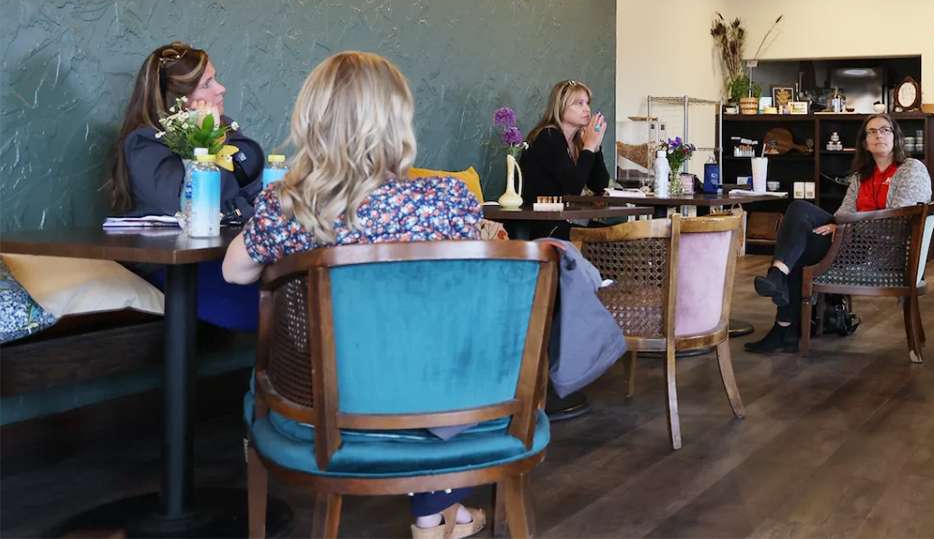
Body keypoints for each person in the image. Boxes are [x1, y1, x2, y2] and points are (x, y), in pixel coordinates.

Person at [221, 51, 486, 538]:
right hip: (433, 396)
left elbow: (234, 272)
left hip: (320, 404)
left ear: (312, 121)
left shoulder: (290, 207)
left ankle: (436, 509)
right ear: (397, 120)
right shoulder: (448, 200)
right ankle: (436, 509)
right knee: (432, 343)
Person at [106, 41, 266, 330]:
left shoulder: (225, 128)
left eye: (215, 79)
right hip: (175, 270)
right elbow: (187, 202)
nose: (221, 89)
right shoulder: (144, 143)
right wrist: (206, 141)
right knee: (277, 308)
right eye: (207, 84)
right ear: (176, 100)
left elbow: (253, 177)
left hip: (223, 259)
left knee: (297, 288)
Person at [747, 113, 932, 353]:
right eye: (872, 132)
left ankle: (784, 326)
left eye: (885, 130)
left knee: (801, 247)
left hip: (878, 251)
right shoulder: (861, 175)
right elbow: (843, 211)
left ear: (896, 137)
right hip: (851, 241)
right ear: (865, 142)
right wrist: (840, 224)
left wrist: (845, 225)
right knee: (799, 211)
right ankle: (778, 279)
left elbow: (899, 220)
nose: (879, 135)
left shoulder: (911, 169)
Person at [520, 79, 610, 234]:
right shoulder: (548, 136)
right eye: (579, 103)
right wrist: (589, 146)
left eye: (587, 103)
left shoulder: (577, 141)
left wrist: (596, 147)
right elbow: (573, 187)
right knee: (614, 238)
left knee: (624, 234)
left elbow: (599, 185)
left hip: (567, 221)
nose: (587, 109)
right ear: (560, 107)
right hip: (545, 225)